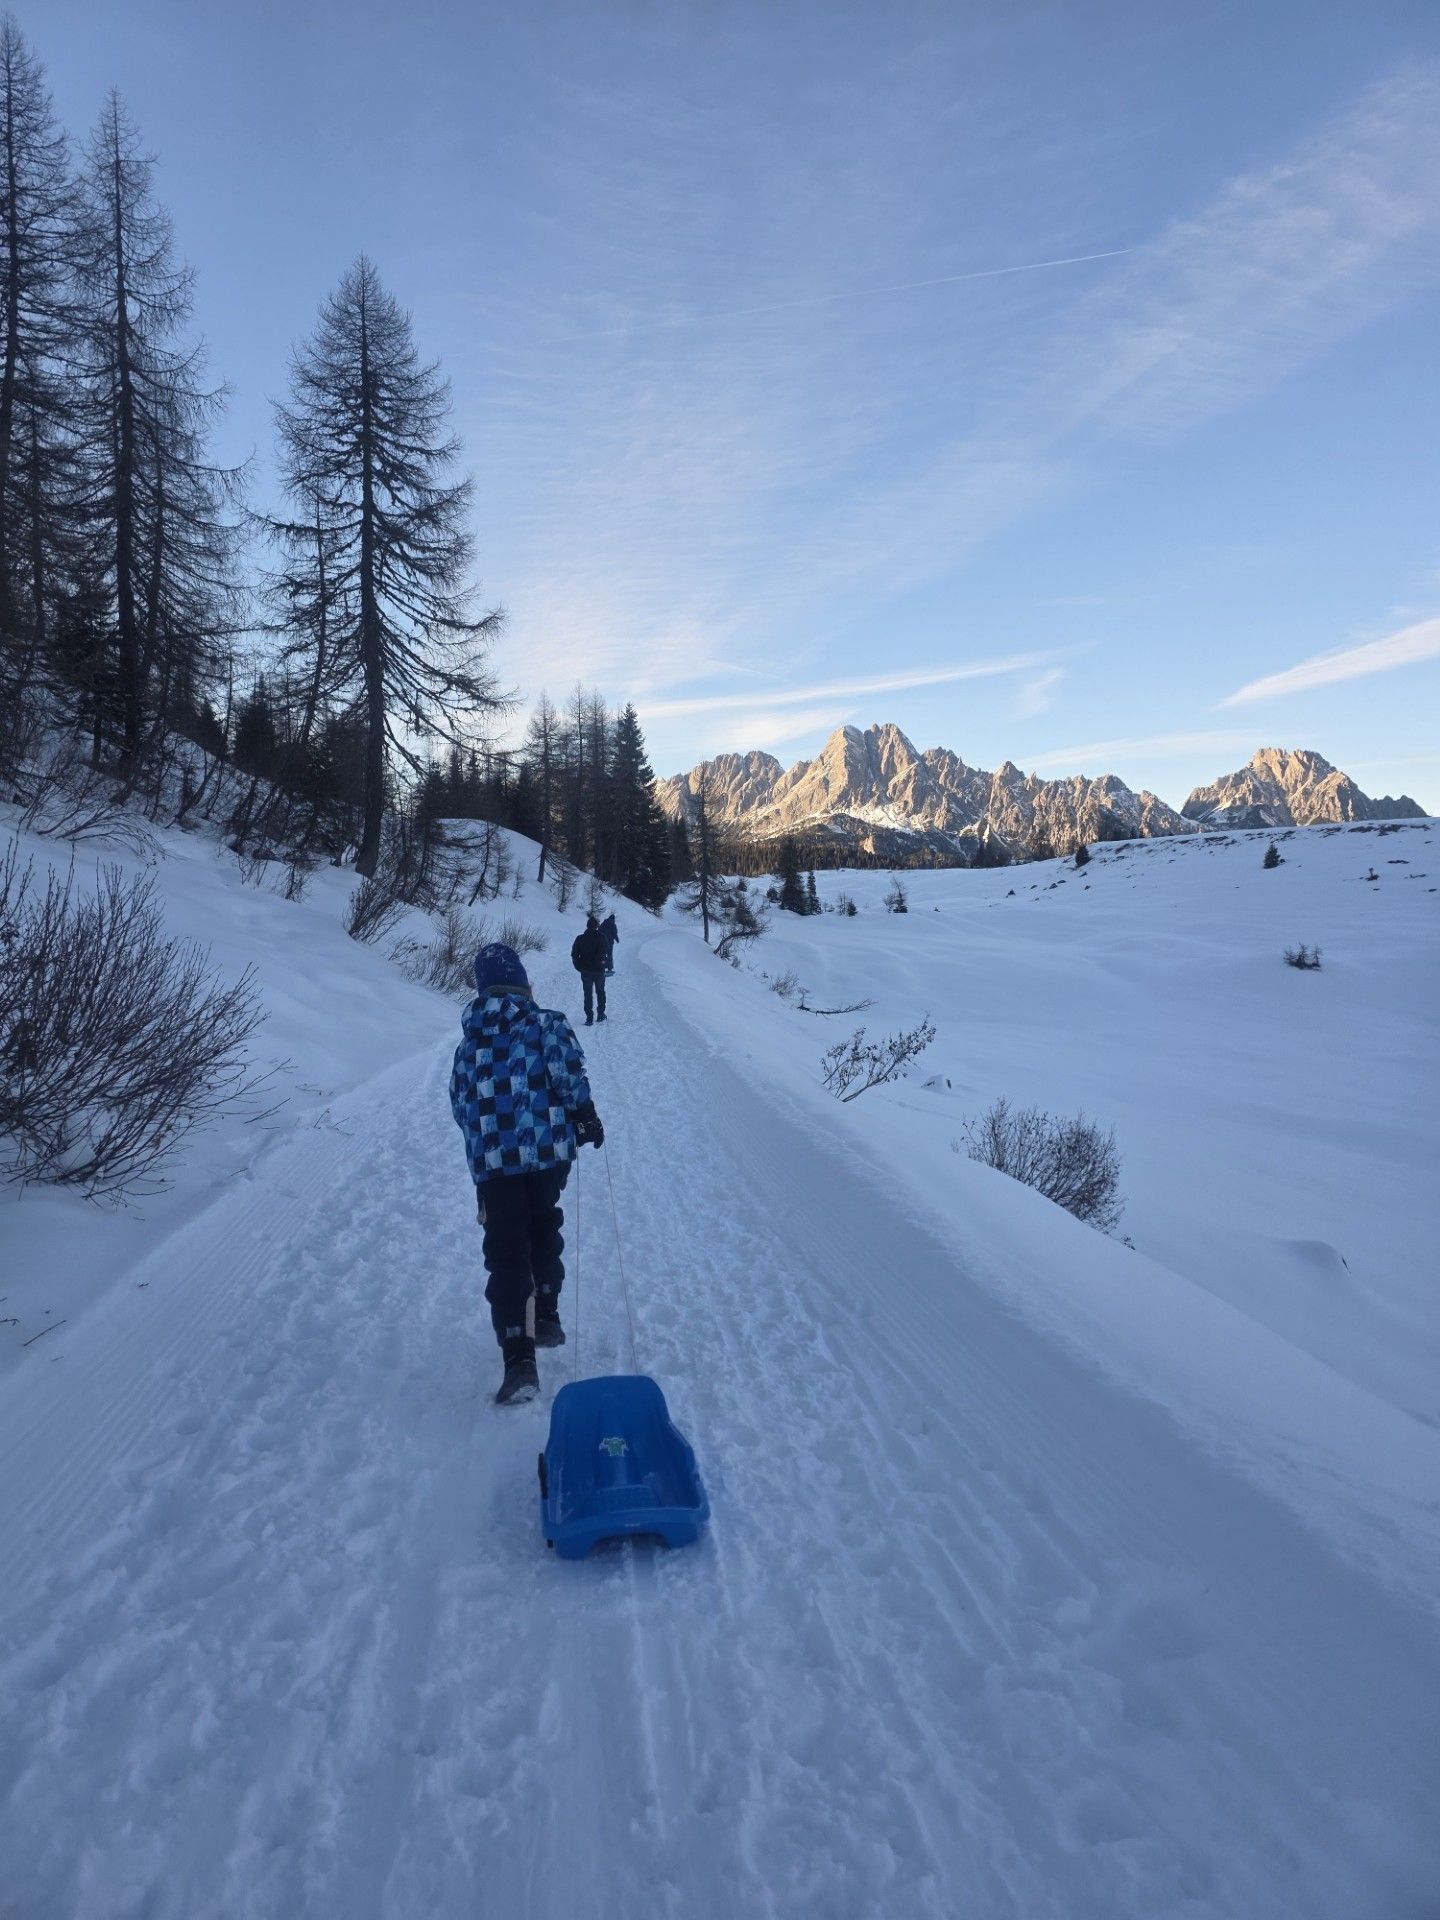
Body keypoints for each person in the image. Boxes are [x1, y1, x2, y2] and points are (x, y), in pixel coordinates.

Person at [450, 942, 605, 1404]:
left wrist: (483, 1149)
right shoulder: (546, 1023)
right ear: (522, 983)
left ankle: (518, 1354)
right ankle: (549, 1312)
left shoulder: (467, 1044)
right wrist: (585, 1114)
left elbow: (460, 1104)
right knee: (543, 1226)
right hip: (544, 1155)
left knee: (505, 1247)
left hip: (495, 1165)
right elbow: (568, 1074)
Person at [571, 913, 609, 1025]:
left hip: (585, 971)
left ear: (587, 926)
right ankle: (601, 1014)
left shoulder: (580, 938)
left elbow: (574, 954)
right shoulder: (602, 937)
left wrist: (578, 967)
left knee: (587, 993)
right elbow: (606, 952)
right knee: (600, 992)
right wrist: (604, 965)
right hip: (599, 971)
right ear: (596, 926)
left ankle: (589, 1018)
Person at [599, 911, 619, 975]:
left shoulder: (603, 923)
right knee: (609, 955)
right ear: (613, 919)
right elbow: (614, 933)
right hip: (609, 943)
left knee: (603, 955)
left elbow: (599, 931)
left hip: (602, 942)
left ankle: (602, 969)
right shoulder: (613, 924)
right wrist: (617, 939)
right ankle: (609, 969)